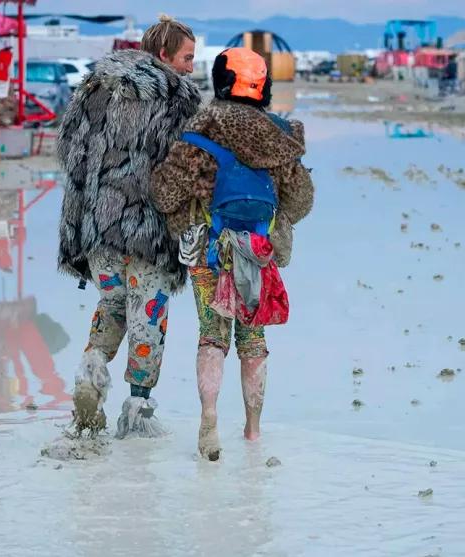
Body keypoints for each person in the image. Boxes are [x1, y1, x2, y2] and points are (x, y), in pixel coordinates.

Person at [151, 47, 314, 460]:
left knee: (212, 335)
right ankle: (254, 432)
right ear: (263, 86)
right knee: (253, 339)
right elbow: (301, 200)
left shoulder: (201, 129)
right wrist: (271, 226)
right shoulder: (281, 135)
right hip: (259, 252)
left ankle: (209, 419)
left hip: (208, 250)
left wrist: (189, 213)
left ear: (222, 81)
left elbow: (165, 192)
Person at [56, 15, 201, 437]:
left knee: (112, 306)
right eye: (187, 58)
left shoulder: (94, 88)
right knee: (148, 317)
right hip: (148, 232)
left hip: (96, 228)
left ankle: (90, 373)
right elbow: (187, 171)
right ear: (163, 55)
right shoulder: (177, 98)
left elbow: (69, 151)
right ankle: (137, 409)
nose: (192, 67)